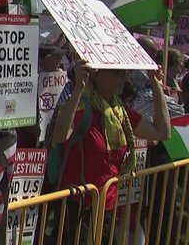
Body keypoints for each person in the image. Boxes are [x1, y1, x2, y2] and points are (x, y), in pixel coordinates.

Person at [50, 58, 171, 242]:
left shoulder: (119, 111)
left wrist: (156, 85)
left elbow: (162, 132)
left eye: (125, 72)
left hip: (107, 206)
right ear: (97, 74)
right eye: (117, 73)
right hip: (76, 207)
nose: (124, 77)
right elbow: (59, 137)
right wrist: (78, 89)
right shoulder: (80, 106)